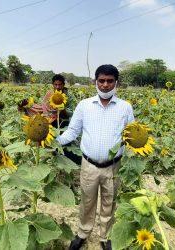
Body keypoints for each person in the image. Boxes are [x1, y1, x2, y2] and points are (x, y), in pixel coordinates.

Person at [56, 65, 135, 250]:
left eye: (109, 81)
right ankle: (83, 233)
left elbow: (131, 134)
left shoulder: (125, 107)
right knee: (87, 201)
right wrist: (54, 140)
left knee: (110, 202)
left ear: (116, 83)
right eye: (102, 81)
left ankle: (106, 237)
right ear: (95, 82)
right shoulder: (85, 105)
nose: (105, 85)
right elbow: (73, 131)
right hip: (89, 164)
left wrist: (137, 150)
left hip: (113, 166)